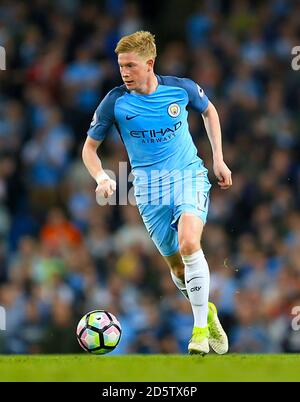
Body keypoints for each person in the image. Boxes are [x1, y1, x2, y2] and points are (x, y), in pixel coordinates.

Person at [82, 31, 232, 355]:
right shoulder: (115, 102)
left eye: (130, 66)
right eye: (121, 65)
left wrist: (218, 158)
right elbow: (89, 149)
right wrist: (100, 178)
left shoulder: (180, 89)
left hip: (188, 177)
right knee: (178, 269)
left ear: (149, 64)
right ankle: (207, 311)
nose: (124, 72)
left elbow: (210, 111)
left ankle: (199, 332)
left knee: (190, 242)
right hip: (149, 193)